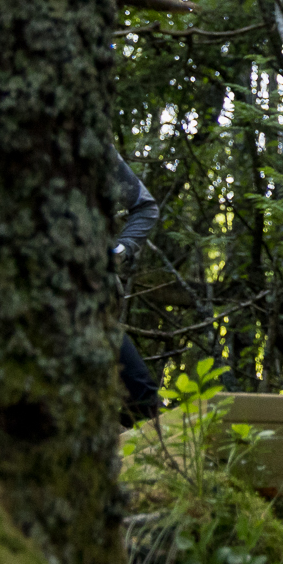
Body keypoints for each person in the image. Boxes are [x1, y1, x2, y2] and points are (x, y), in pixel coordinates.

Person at [111, 150, 162, 423]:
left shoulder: (87, 139)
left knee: (144, 403)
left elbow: (145, 207)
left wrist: (120, 249)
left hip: (88, 305)